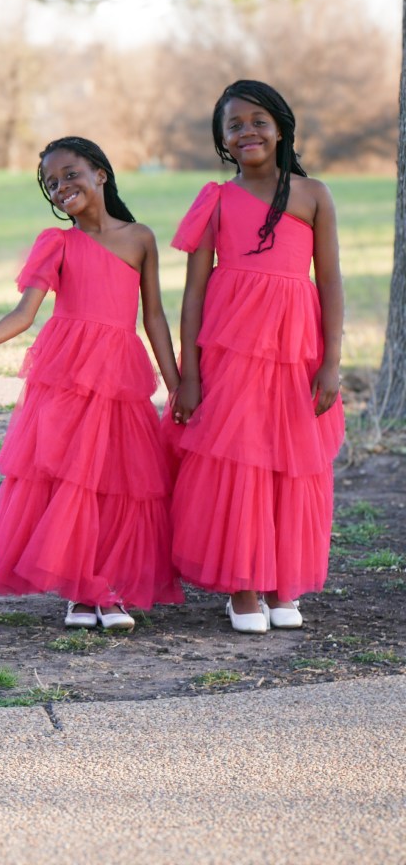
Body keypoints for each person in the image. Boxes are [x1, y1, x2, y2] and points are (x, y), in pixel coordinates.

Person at [0, 137, 183, 630]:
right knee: (71, 480)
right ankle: (80, 590)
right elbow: (25, 313)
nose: (61, 186)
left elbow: (153, 317)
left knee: (119, 481)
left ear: (100, 174)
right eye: (51, 183)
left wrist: (178, 385)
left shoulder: (140, 239)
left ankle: (109, 587)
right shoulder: (58, 243)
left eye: (70, 174)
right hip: (67, 376)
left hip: (119, 376)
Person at [168, 80, 344, 634]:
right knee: (240, 458)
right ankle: (244, 586)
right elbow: (193, 294)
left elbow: (331, 282)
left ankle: (281, 583)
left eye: (258, 121)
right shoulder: (216, 199)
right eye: (234, 125)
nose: (247, 131)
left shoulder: (314, 194)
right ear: (222, 140)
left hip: (296, 349)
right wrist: (189, 373)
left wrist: (332, 361)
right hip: (231, 347)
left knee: (289, 461)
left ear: (281, 126)